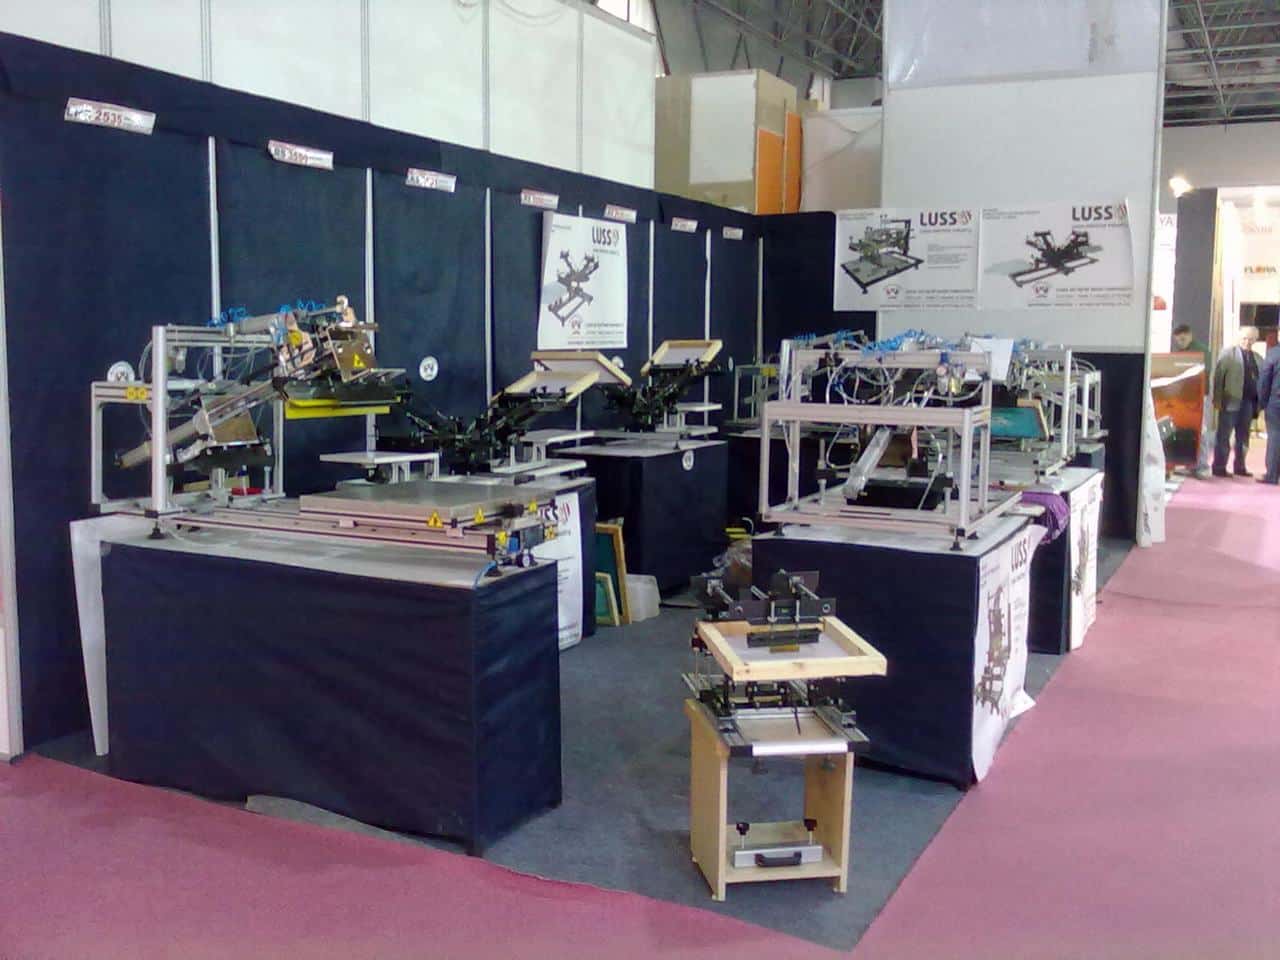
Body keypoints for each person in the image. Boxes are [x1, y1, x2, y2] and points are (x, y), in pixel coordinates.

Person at [1211, 326, 1260, 477]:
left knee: (1243, 437)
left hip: (1248, 403)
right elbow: (1218, 377)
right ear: (1239, 338)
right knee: (1224, 436)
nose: (1247, 342)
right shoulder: (1228, 354)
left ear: (1255, 340)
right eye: (1245, 338)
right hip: (1230, 401)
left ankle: (1240, 467)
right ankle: (1219, 467)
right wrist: (1217, 399)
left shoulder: (1258, 358)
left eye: (1251, 339)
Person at [1258, 338, 1280, 485]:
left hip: (1276, 401)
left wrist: (1262, 402)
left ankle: (1272, 474)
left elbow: (1264, 380)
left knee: (1275, 436)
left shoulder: (1274, 354)